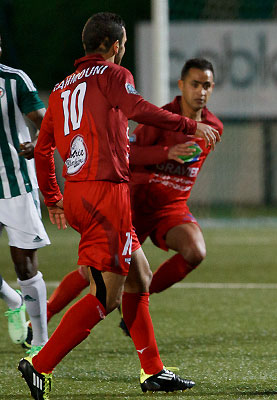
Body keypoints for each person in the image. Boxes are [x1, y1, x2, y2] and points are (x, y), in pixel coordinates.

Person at [18, 12, 220, 399]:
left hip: (79, 193)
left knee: (139, 278)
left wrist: (53, 198)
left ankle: (153, 371)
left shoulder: (60, 89)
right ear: (115, 45)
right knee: (105, 295)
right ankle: (39, 364)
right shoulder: (112, 76)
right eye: (123, 44)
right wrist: (190, 125)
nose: (123, 49)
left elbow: (43, 150)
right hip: (106, 194)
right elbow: (139, 109)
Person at [43, 58, 223, 325]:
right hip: (134, 204)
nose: (201, 92)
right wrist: (166, 152)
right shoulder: (162, 119)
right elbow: (127, 154)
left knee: (195, 251)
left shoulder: (213, 128)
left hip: (169, 209)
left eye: (206, 85)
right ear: (182, 85)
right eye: (195, 85)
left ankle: (138, 302)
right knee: (89, 272)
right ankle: (40, 319)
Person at [0, 33, 49, 355]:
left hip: (14, 183)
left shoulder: (14, 81)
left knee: (24, 267)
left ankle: (42, 342)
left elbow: (44, 123)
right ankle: (12, 300)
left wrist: (38, 144)